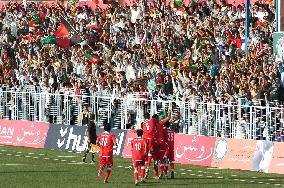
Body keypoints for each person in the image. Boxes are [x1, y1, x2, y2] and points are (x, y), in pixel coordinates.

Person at [141, 113, 156, 178]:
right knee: (150, 153)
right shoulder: (152, 120)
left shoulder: (143, 123)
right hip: (151, 138)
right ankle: (147, 167)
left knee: (145, 154)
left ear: (144, 117)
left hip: (145, 138)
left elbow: (142, 130)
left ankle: (145, 173)